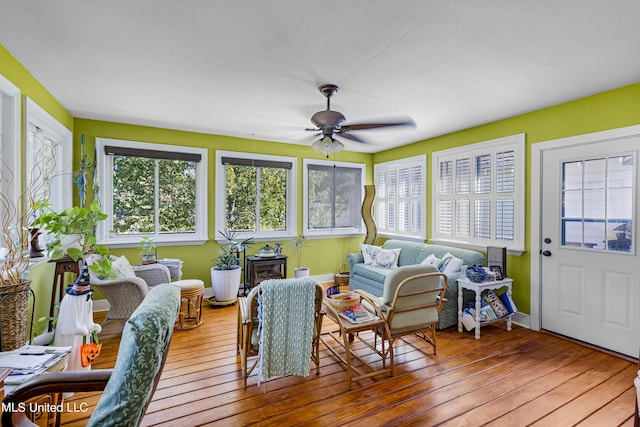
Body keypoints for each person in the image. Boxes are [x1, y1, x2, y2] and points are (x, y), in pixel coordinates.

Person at [53, 265, 102, 371]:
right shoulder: (70, 302)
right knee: (72, 359)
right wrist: (77, 329)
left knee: (82, 358)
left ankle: (83, 370)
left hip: (83, 342)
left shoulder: (86, 304)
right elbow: (64, 328)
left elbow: (88, 317)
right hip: (71, 341)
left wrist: (92, 325)